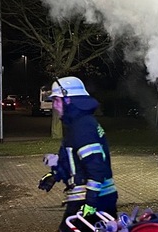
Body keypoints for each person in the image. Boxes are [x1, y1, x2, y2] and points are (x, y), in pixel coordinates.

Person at [37, 76, 118, 232]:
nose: (54, 106)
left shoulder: (82, 126)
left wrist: (91, 202)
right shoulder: (80, 123)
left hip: (90, 199)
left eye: (57, 100)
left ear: (69, 101)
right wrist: (55, 174)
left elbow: (95, 166)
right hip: (98, 197)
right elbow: (75, 162)